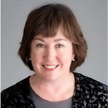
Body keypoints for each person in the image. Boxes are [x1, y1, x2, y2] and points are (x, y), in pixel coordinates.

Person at [1, 3, 108, 108]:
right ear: (29, 50)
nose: (50, 56)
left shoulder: (102, 97)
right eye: (41, 45)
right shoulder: (6, 101)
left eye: (59, 45)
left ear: (74, 51)